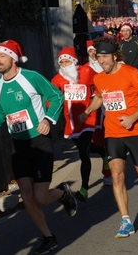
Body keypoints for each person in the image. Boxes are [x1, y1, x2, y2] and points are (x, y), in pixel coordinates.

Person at [0, 40, 77, 254]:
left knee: (41, 197)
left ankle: (62, 194)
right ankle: (48, 237)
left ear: (13, 59)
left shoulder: (31, 77)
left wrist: (47, 119)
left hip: (39, 141)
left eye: (2, 56)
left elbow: (56, 96)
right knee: (26, 196)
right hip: (18, 144)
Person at [78, 37, 138, 238]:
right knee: (117, 175)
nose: (101, 61)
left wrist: (133, 117)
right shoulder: (100, 78)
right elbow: (100, 96)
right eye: (98, 57)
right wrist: (87, 112)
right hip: (112, 133)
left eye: (104, 57)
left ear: (115, 56)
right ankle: (126, 221)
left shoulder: (131, 73)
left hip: (135, 131)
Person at [51, 46, 106, 202]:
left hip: (88, 117)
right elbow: (50, 97)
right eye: (62, 62)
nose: (65, 64)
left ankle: (84, 189)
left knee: (83, 153)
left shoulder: (86, 72)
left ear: (74, 62)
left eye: (68, 61)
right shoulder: (57, 79)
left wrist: (97, 96)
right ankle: (103, 153)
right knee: (86, 148)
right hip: (72, 122)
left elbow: (101, 80)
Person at [84, 41, 112, 186]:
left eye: (95, 51)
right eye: (90, 52)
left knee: (107, 142)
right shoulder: (85, 69)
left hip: (109, 107)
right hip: (94, 110)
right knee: (99, 143)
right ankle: (107, 162)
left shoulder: (106, 66)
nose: (94, 55)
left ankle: (107, 172)